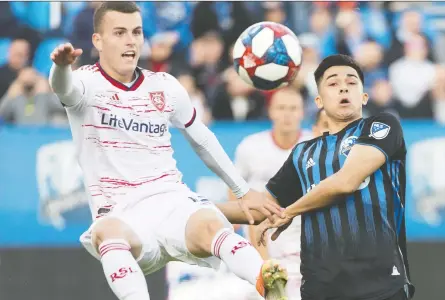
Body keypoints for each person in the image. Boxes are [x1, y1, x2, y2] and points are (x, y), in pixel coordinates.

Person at [47, 2, 288, 300]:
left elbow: (203, 140)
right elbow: (64, 89)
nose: (131, 40)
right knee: (105, 233)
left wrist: (242, 190)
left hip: (171, 200)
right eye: (119, 32)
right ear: (98, 40)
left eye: (136, 32)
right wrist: (60, 68)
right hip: (122, 212)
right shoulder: (86, 81)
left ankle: (268, 284)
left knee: (210, 224)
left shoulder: (165, 86)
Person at [255, 54, 415, 300]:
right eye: (332, 83)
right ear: (319, 100)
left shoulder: (382, 126)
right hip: (321, 289)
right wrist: (199, 208)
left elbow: (346, 182)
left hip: (382, 286)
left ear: (363, 96)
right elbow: (260, 208)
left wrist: (289, 211)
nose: (343, 86)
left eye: (351, 82)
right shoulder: (302, 153)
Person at [230, 87, 312, 299]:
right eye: (281, 108)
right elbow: (234, 186)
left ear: (303, 112)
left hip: (303, 237)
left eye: (293, 108)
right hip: (260, 235)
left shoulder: (314, 146)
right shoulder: (250, 146)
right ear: (271, 111)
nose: (287, 114)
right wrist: (236, 222)